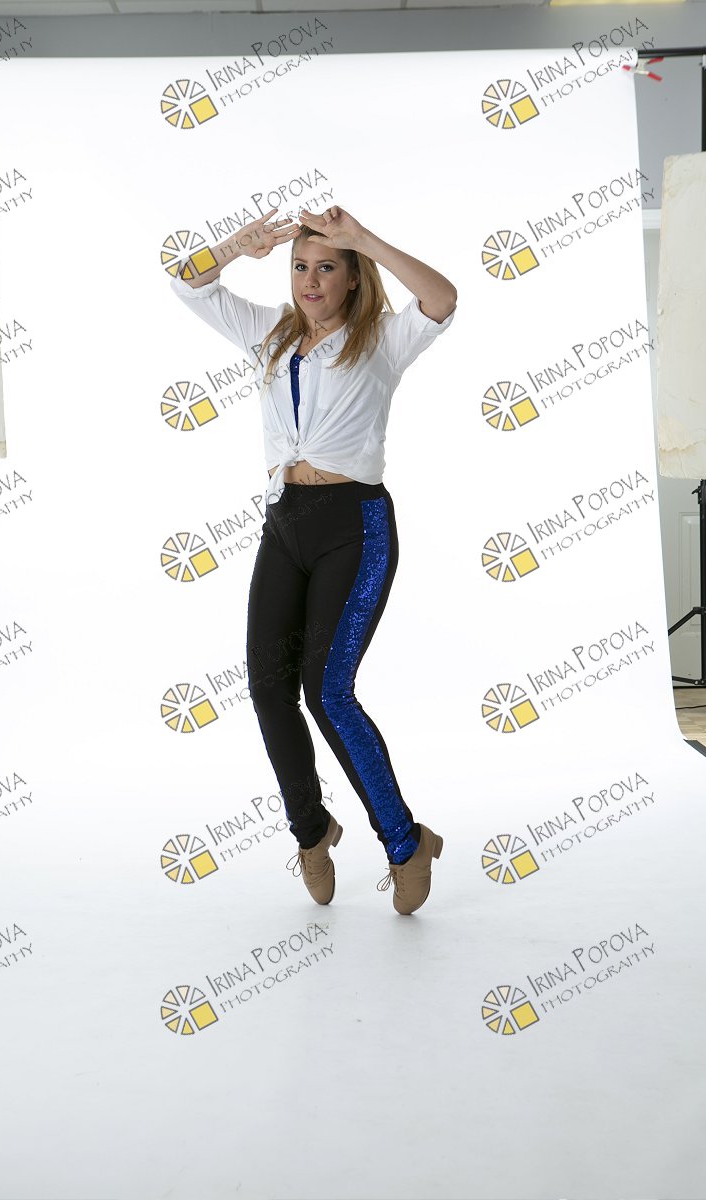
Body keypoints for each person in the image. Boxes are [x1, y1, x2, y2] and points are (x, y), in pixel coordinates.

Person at [169, 204, 457, 914]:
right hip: (285, 524)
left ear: (353, 278)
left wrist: (366, 239)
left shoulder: (382, 339)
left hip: (354, 527)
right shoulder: (271, 333)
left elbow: (442, 297)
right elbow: (185, 281)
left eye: (327, 268)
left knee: (328, 692)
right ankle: (312, 832)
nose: (311, 280)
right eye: (300, 267)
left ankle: (405, 842)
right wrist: (238, 246)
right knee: (269, 689)